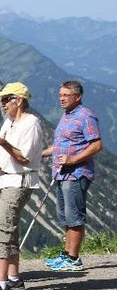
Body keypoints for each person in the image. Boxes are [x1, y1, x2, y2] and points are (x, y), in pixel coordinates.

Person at [0, 83, 43, 290]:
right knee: (10, 230)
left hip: (18, 182)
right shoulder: (9, 122)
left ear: (19, 101)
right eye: (2, 99)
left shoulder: (31, 124)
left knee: (1, 231)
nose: (2, 103)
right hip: (6, 180)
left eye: (6, 99)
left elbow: (25, 158)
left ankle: (1, 284)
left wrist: (4, 143)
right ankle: (13, 278)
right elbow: (0, 154)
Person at [41, 81, 102, 271]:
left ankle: (74, 258)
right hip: (62, 174)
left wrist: (73, 159)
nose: (61, 98)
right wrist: (39, 154)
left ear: (78, 97)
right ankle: (67, 254)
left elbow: (96, 145)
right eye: (60, 94)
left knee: (74, 216)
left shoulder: (86, 116)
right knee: (65, 216)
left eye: (66, 95)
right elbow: (61, 145)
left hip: (76, 173)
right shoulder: (67, 116)